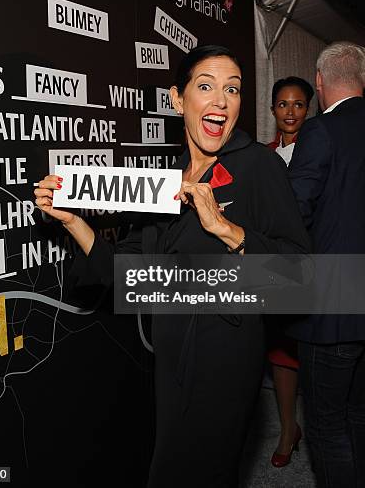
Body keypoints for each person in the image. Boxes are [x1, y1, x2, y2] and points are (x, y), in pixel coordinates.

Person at [34, 45, 310, 488]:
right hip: (171, 354)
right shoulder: (164, 178)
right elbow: (126, 271)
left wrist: (228, 230)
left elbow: (299, 276)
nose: (221, 100)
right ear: (178, 100)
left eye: (233, 90)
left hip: (226, 354)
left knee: (203, 470)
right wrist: (74, 223)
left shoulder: (259, 166)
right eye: (206, 87)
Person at [286, 42, 365, 487]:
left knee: (327, 424)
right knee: (359, 412)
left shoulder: (321, 131)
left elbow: (296, 211)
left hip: (335, 301)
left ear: (318, 83)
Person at [267, 76, 314, 467]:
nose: (290, 112)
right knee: (280, 349)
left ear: (308, 109)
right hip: (271, 264)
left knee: (314, 350)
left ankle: (320, 429)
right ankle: (287, 428)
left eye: (298, 104)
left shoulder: (319, 152)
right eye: (283, 104)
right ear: (272, 111)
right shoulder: (263, 156)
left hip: (312, 262)